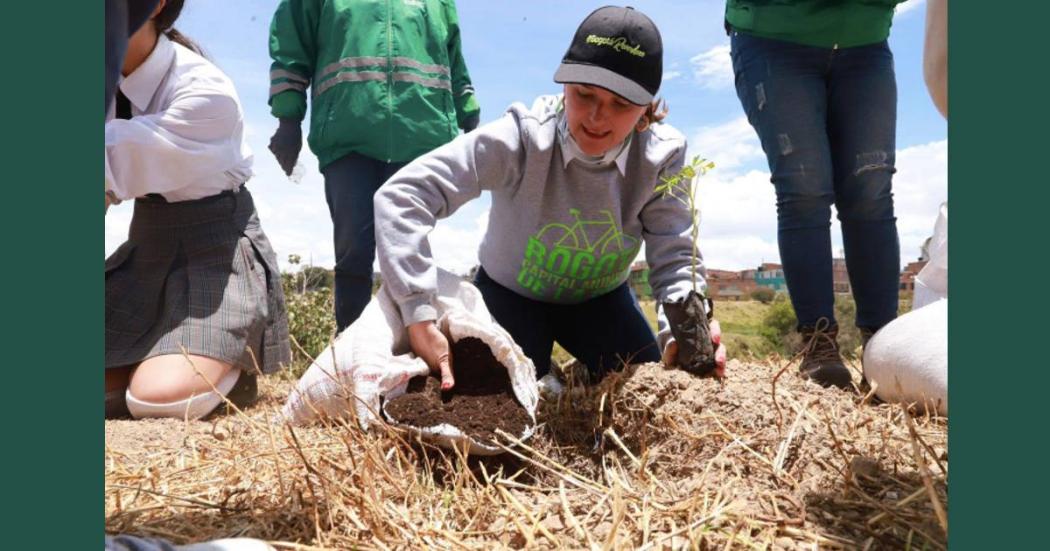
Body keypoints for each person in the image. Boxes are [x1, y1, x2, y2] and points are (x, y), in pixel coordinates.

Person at [373, 6, 727, 390]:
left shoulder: (662, 157)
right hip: (510, 295)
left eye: (621, 105)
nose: (596, 117)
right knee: (497, 395)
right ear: (564, 86)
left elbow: (674, 254)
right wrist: (418, 313)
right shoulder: (521, 138)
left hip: (601, 302)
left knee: (652, 382)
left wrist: (684, 333)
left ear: (646, 110)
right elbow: (403, 194)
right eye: (584, 94)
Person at [105, 0, 291, 420]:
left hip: (215, 254)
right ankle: (146, 356)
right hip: (146, 248)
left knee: (156, 399)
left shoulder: (205, 92)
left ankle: (230, 365)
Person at [267, 0, 481, 332]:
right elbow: (292, 44)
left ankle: (415, 352)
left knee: (408, 254)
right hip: (348, 137)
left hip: (421, 138)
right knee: (353, 251)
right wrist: (288, 118)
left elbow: (452, 56)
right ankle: (351, 350)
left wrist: (468, 111)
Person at [726, 0, 906, 390]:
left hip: (865, 42)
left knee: (870, 190)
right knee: (805, 188)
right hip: (774, 38)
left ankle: (883, 345)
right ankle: (819, 345)